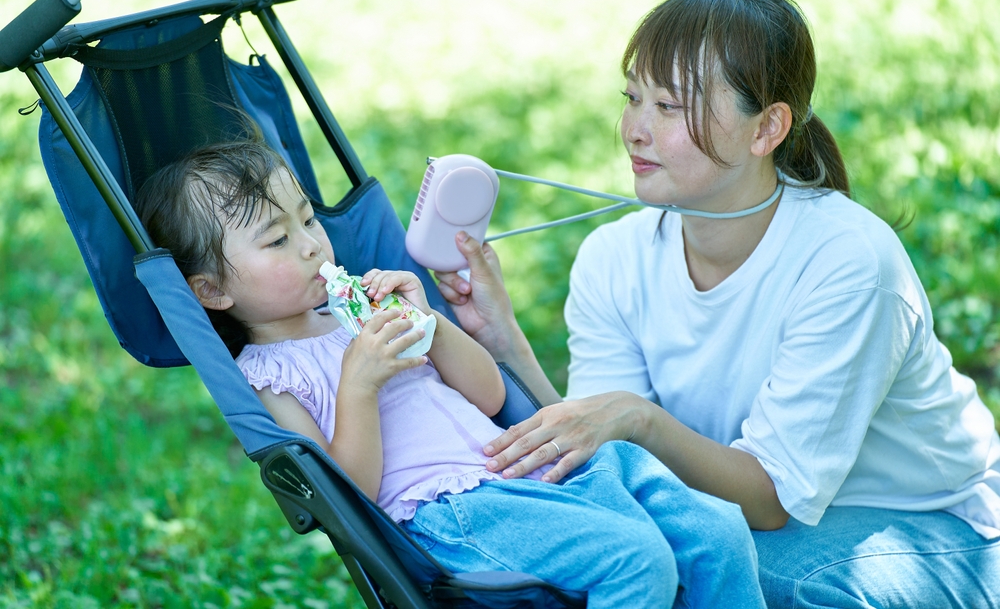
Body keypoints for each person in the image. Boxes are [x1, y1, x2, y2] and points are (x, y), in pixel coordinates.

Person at [434, 0, 1000, 608]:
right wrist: (503, 343)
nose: (635, 131)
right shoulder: (613, 258)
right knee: (637, 549)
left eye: (670, 106)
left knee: (732, 570)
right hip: (750, 516)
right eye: (632, 98)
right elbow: (609, 455)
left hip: (937, 529)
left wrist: (637, 417)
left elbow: (768, 499)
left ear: (767, 128)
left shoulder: (847, 262)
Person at [134, 132, 767, 608]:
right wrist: (358, 382)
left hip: (525, 456)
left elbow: (490, 392)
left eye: (307, 219)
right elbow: (345, 497)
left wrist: (431, 326)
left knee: (717, 530)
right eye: (276, 240)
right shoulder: (269, 375)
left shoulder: (363, 305)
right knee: (634, 560)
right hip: (455, 509)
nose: (310, 244)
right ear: (213, 292)